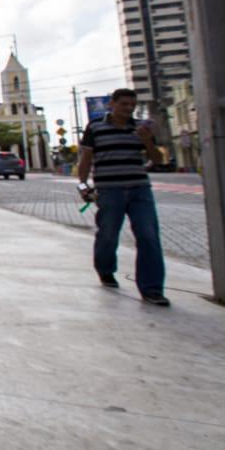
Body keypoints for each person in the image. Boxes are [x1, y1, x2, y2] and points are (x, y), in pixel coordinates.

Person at [76, 88, 170, 306]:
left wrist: (147, 142)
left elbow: (157, 160)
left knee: (148, 235)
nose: (128, 108)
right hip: (110, 190)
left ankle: (152, 289)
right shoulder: (96, 127)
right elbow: (86, 159)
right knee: (108, 233)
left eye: (131, 105)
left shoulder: (140, 128)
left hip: (139, 189)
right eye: (124, 104)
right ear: (112, 104)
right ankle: (105, 269)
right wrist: (83, 185)